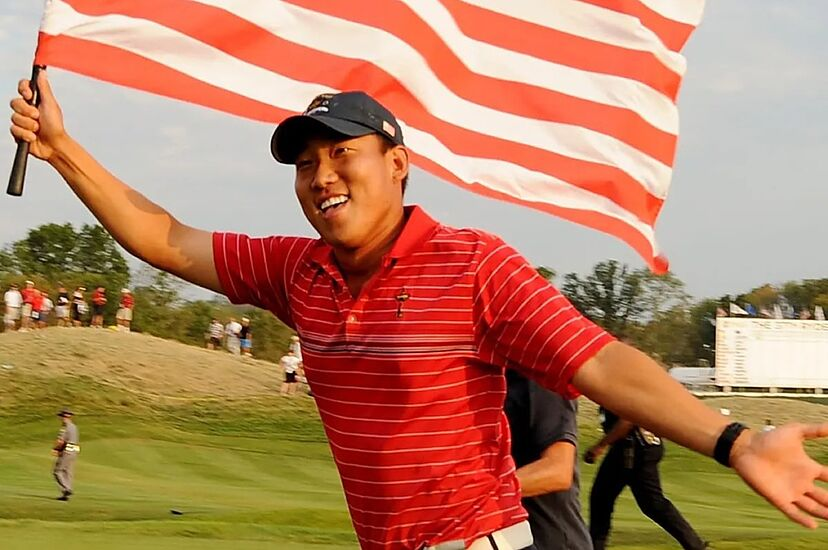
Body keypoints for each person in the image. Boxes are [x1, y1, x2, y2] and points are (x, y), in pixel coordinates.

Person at [11, 73, 828, 550]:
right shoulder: (297, 271)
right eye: (305, 162)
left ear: (397, 163)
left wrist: (735, 440)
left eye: (342, 152)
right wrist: (60, 149)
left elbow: (602, 361)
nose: (321, 175)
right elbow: (164, 239)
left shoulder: (473, 264)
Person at [584, 408, 707, 550]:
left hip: (632, 449)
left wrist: (600, 446)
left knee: (605, 499)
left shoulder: (621, 395)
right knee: (649, 503)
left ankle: (696, 546)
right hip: (641, 447)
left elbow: (628, 419)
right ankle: (695, 546)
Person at [504, 370, 591, 550]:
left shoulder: (540, 381)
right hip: (510, 538)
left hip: (550, 540)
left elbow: (557, 471)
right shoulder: (489, 380)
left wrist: (480, 494)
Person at [53, 409, 80, 501]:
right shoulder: (74, 427)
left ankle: (67, 489)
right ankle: (65, 495)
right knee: (68, 472)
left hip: (67, 450)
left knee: (57, 471)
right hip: (74, 450)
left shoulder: (65, 427)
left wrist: (56, 449)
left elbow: (61, 441)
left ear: (63, 417)